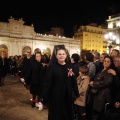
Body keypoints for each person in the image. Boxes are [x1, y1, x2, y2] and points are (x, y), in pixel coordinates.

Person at [42, 45, 79, 120]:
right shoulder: (52, 67)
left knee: (66, 115)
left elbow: (73, 81)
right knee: (56, 115)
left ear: (66, 55)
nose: (61, 56)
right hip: (55, 97)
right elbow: (47, 82)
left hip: (67, 96)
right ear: (56, 56)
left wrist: (76, 92)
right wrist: (44, 96)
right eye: (59, 54)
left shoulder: (70, 66)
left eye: (63, 54)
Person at [89, 56, 115, 120]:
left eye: (108, 61)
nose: (106, 63)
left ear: (111, 63)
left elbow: (106, 83)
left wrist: (93, 83)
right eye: (105, 61)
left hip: (102, 95)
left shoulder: (109, 71)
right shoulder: (102, 70)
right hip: (97, 93)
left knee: (99, 113)